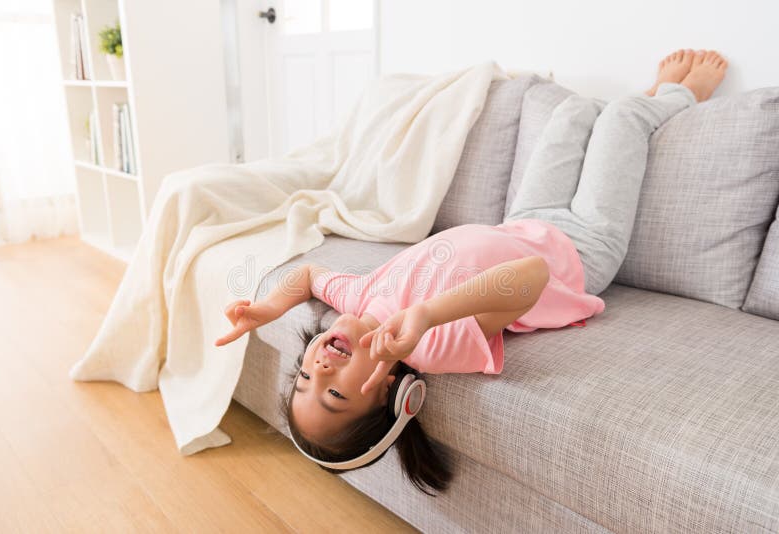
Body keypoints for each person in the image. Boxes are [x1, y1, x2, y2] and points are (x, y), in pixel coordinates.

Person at [215, 49, 728, 495]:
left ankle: (636, 106)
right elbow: (528, 275)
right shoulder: (431, 346)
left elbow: (305, 277)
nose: (319, 369)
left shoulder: (360, 300)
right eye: (334, 393)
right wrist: (427, 314)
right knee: (622, 121)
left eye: (303, 376)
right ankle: (673, 99)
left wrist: (265, 307)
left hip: (527, 219)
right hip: (582, 249)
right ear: (390, 389)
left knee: (572, 112)